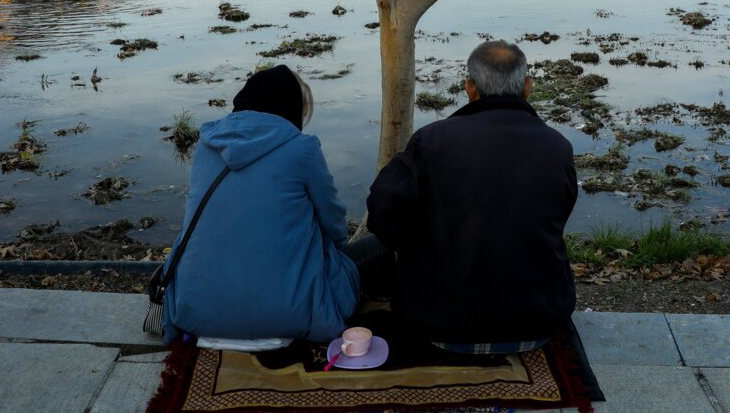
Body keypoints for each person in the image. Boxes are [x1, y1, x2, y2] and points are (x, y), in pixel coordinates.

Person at [365, 40, 577, 353]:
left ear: (469, 88)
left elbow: (381, 212)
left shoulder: (432, 140)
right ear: (528, 87)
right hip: (540, 323)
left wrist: (420, 245)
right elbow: (558, 214)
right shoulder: (557, 146)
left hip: (439, 326)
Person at [161, 64, 360, 344]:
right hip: (288, 315)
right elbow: (333, 224)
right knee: (367, 256)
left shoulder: (206, 146)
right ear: (290, 108)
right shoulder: (302, 149)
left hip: (195, 311)